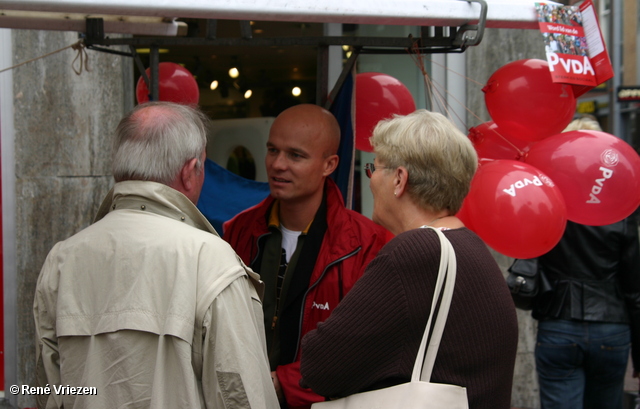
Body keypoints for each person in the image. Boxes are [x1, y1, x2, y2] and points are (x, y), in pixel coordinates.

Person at [33, 102, 279, 409]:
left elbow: (46, 390)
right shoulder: (212, 262)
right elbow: (244, 396)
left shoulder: (61, 260)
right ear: (190, 172)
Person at [299, 109, 519, 409]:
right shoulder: (469, 246)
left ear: (399, 179)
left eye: (373, 169)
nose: (371, 180)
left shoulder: (415, 253)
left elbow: (321, 365)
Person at [223, 104, 389, 409]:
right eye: (272, 150)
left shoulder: (369, 244)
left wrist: (284, 383)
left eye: (295, 155)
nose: (277, 164)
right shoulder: (237, 231)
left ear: (329, 165)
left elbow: (365, 347)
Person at [531, 117, 640, 409]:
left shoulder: (548, 201)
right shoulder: (623, 209)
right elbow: (634, 287)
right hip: (612, 327)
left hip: (558, 323)